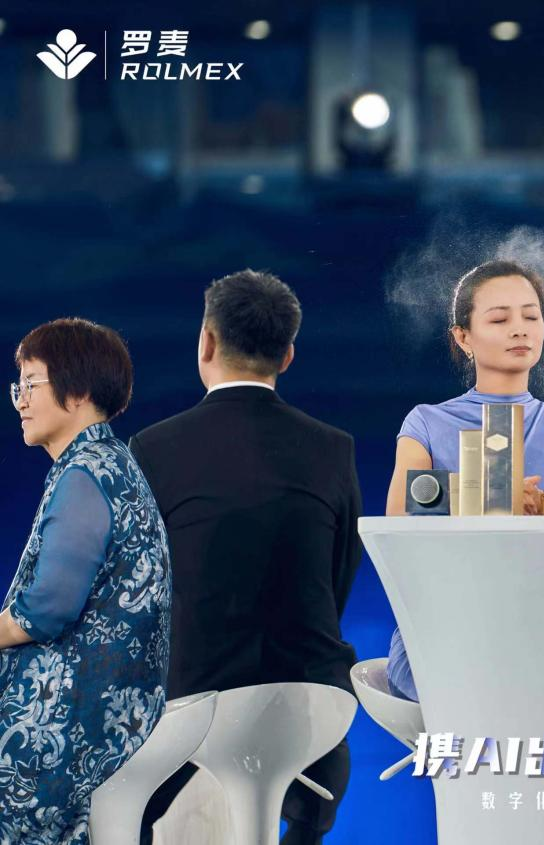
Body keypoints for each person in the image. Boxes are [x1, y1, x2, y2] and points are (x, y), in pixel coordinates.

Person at [131, 270, 361, 845]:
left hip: (196, 703)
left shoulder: (154, 448)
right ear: (287, 355)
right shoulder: (334, 449)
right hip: (312, 704)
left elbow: (142, 591)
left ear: (206, 342)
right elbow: (338, 575)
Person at [384, 259, 544, 701]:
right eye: (500, 320)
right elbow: (400, 512)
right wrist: (494, 496)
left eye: (531, 317)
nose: (519, 329)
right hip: (442, 628)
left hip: (538, 625)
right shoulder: (426, 422)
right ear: (463, 337)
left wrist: (540, 503)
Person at [0, 318, 172, 845]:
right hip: (113, 706)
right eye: (17, 387)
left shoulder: (85, 473)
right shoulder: (108, 462)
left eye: (31, 384)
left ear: (76, 392)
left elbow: (45, 610)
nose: (20, 401)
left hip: (79, 717)